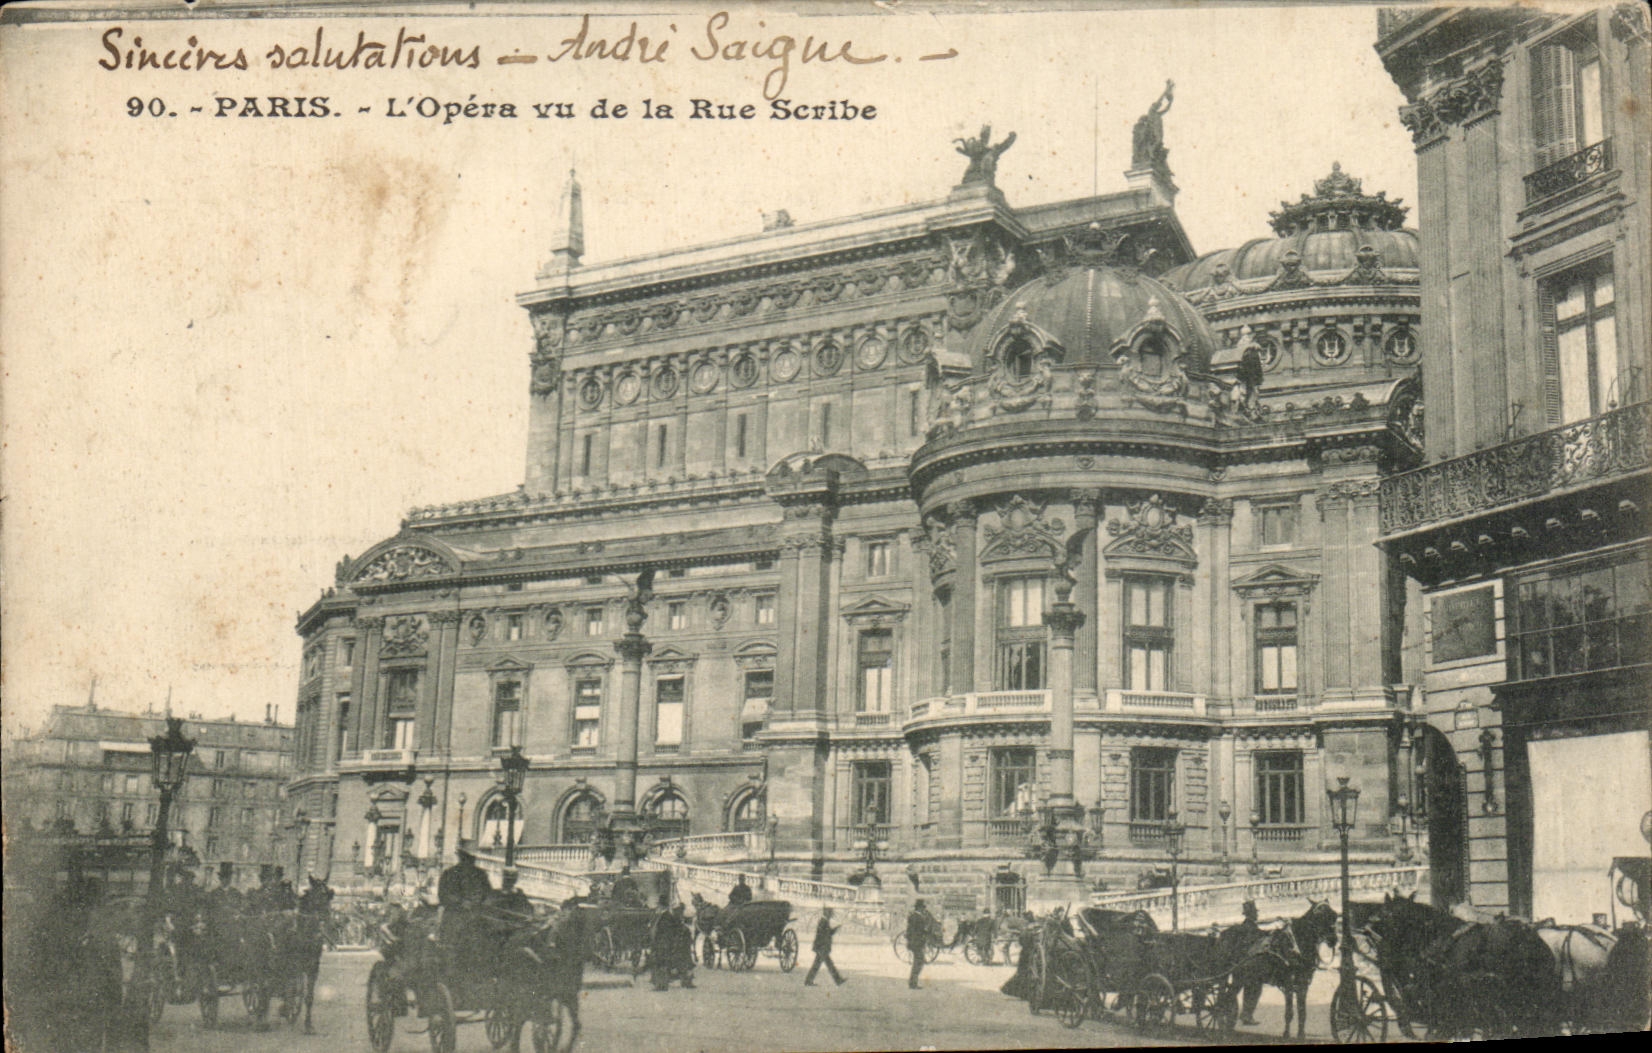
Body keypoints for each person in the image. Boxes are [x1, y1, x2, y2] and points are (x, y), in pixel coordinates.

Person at [649, 903, 695, 991]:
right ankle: (663, 984)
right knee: (665, 963)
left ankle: (684, 982)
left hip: (674, 945)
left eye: (680, 910)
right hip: (669, 945)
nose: (679, 912)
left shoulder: (671, 918)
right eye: (678, 910)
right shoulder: (669, 918)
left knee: (683, 962)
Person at [804, 906, 846, 986]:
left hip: (821, 947)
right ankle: (838, 980)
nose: (831, 915)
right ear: (827, 913)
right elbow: (825, 935)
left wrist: (836, 928)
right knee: (827, 965)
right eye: (830, 913)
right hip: (822, 947)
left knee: (823, 964)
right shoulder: (824, 921)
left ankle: (838, 980)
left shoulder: (823, 921)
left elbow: (828, 933)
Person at [907, 899, 937, 990]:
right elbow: (916, 930)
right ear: (919, 908)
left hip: (915, 942)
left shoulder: (915, 916)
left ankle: (913, 982)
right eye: (923, 907)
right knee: (919, 962)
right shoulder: (917, 917)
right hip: (916, 942)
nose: (924, 909)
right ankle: (913, 983)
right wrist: (925, 931)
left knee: (919, 961)